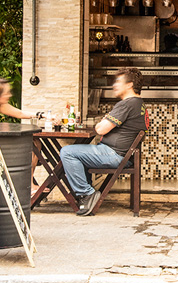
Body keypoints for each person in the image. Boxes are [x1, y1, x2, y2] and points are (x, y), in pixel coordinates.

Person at [60, 67, 147, 216]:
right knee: (77, 153)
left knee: (68, 152)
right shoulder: (138, 104)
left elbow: (101, 129)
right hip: (123, 155)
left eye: (118, 81)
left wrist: (102, 122)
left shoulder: (127, 104)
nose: (114, 85)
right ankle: (86, 196)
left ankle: (87, 194)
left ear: (129, 85)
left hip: (114, 155)